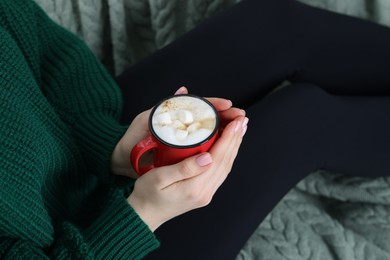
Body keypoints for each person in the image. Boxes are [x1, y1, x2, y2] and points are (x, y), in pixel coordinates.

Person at [1, 1, 389, 260]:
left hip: (85, 146)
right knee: (302, 119)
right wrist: (142, 215)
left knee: (268, 25)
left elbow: (46, 50)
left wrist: (112, 147)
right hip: (109, 244)